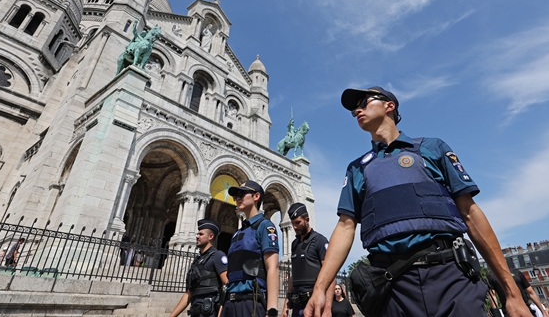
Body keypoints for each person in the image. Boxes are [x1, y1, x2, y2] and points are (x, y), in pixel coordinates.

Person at [305, 86, 532, 317]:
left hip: (451, 278)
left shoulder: (431, 148)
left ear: (389, 105)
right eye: (355, 108)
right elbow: (345, 227)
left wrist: (512, 292)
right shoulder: (357, 169)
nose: (357, 110)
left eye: (364, 101)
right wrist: (320, 288)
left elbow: (470, 214)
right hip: (393, 287)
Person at [223, 181, 280, 317]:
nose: (238, 198)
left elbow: (273, 266)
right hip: (229, 303)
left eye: (242, 193)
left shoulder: (265, 226)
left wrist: (271, 310)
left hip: (251, 302)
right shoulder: (237, 233)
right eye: (236, 195)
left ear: (256, 196)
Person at [169, 219, 228, 317]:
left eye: (201, 234)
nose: (197, 236)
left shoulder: (218, 256)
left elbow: (227, 286)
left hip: (210, 312)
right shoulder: (197, 261)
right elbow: (188, 294)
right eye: (197, 234)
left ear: (210, 236)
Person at [281, 203, 329, 317]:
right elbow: (294, 275)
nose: (295, 227)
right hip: (297, 306)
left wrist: (327, 308)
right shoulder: (294, 244)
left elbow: (329, 274)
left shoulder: (320, 240)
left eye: (298, 223)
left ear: (307, 219)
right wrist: (286, 305)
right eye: (293, 224)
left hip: (314, 303)